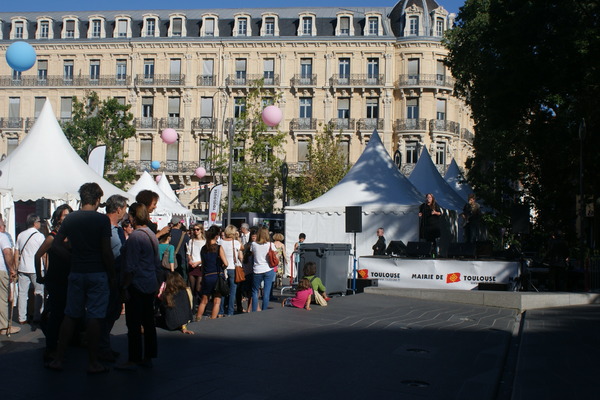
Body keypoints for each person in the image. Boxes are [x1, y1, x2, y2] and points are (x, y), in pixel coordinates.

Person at [48, 182, 115, 374]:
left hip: (77, 271)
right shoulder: (102, 221)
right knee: (94, 317)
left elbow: (56, 245)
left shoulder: (71, 219)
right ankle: (93, 362)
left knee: (70, 314)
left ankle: (59, 358)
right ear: (96, 199)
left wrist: (72, 259)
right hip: (97, 272)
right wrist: (111, 274)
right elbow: (106, 251)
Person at [117, 202, 160, 370]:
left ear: (134, 216)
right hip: (150, 283)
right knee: (148, 322)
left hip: (137, 284)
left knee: (134, 323)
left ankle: (134, 358)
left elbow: (131, 266)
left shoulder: (136, 237)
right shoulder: (151, 235)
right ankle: (148, 356)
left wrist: (124, 287)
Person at [33, 204, 73, 360]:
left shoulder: (73, 236)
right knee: (56, 313)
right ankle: (51, 346)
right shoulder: (52, 236)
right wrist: (39, 276)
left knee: (66, 313)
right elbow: (37, 256)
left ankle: (63, 342)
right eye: (65, 216)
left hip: (69, 278)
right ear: (58, 218)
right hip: (55, 279)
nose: (67, 219)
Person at [100, 194, 128, 362]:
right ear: (118, 209)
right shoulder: (106, 229)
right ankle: (101, 347)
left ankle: (104, 345)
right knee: (107, 312)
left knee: (114, 311)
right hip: (109, 276)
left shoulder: (117, 229)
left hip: (118, 276)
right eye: (124, 208)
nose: (125, 212)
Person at [15, 213, 46, 325]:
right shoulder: (39, 236)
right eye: (39, 222)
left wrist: (15, 266)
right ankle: (38, 316)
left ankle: (21, 317)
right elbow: (43, 254)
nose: (40, 224)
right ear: (35, 223)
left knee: (22, 293)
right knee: (39, 292)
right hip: (36, 268)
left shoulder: (21, 235)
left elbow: (16, 252)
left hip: (23, 267)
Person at [194, 225, 228, 321]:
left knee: (204, 300)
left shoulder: (203, 249)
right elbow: (226, 263)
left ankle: (198, 318)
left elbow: (203, 264)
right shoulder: (218, 248)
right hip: (217, 276)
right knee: (217, 301)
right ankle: (213, 320)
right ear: (217, 236)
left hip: (207, 276)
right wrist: (222, 267)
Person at [251, 227, 277, 312]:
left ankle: (254, 310)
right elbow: (275, 254)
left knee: (255, 291)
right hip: (268, 268)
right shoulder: (271, 245)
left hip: (257, 269)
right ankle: (264, 309)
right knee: (266, 291)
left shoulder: (254, 244)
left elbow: (253, 254)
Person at [0, 217, 19, 335]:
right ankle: (3, 327)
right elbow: (7, 253)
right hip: (1, 269)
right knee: (2, 298)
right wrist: (12, 269)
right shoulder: (3, 237)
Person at [220, 225, 243, 316]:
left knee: (222, 291)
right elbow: (241, 255)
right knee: (233, 292)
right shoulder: (236, 243)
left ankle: (220, 311)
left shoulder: (220, 242)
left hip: (223, 268)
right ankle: (230, 312)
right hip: (233, 268)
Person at [187, 223, 206, 308]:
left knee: (199, 288)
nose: (195, 231)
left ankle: (202, 303)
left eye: (197, 229)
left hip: (200, 266)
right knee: (192, 287)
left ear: (201, 230)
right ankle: (193, 306)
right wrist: (190, 260)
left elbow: (206, 256)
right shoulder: (191, 241)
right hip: (192, 266)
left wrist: (198, 262)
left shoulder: (205, 242)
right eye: (194, 229)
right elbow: (188, 253)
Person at [168, 216, 189, 282]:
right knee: (183, 281)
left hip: (168, 261)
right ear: (178, 223)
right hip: (181, 260)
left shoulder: (168, 233)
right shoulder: (184, 234)